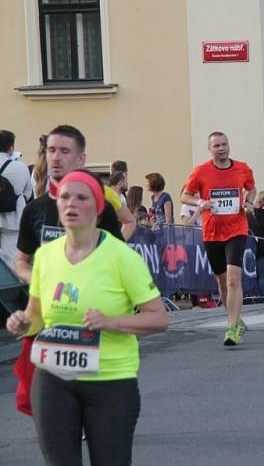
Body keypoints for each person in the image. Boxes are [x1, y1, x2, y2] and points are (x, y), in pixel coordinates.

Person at [5, 169, 168, 466]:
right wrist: (22, 322)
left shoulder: (122, 257)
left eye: (82, 198)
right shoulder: (46, 256)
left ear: (97, 207)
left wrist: (111, 321)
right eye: (65, 197)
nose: (71, 204)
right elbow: (37, 317)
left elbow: (158, 319)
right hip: (53, 377)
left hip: (110, 380)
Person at [15, 125, 125, 284]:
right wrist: (36, 279)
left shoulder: (99, 207)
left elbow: (121, 259)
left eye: (64, 151)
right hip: (50, 305)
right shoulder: (33, 209)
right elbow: (21, 261)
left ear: (81, 159)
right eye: (51, 150)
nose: (56, 157)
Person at [181, 132, 256, 346]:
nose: (221, 149)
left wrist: (248, 201)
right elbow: (184, 196)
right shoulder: (201, 171)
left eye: (224, 144)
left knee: (233, 279)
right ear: (210, 149)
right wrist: (199, 202)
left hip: (237, 229)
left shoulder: (242, 168)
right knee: (222, 282)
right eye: (217, 146)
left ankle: (232, 329)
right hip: (212, 231)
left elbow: (251, 188)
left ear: (228, 146)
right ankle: (236, 319)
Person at [0, 130, 33, 267]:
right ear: (11, 147)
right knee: (12, 262)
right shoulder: (20, 167)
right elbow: (28, 194)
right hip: (12, 221)